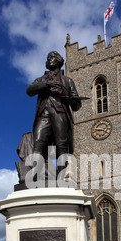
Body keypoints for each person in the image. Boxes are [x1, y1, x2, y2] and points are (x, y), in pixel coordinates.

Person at [26, 51, 81, 183]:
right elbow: (29, 90)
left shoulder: (67, 81)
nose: (49, 59)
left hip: (60, 113)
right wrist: (45, 85)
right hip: (43, 113)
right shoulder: (42, 79)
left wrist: (64, 94)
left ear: (59, 61)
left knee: (61, 145)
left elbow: (76, 105)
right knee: (38, 143)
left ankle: (62, 177)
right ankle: (36, 176)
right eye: (48, 58)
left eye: (52, 57)